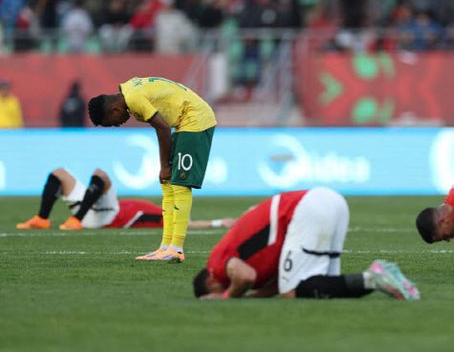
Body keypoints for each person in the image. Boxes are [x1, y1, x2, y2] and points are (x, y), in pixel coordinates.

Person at [192, 187, 420, 300]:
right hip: (330, 200)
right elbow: (278, 285)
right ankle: (379, 279)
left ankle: (375, 277)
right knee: (323, 286)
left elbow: (245, 277)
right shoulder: (251, 262)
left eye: (217, 290)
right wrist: (250, 299)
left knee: (294, 291)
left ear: (210, 283)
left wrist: (225, 298)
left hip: (306, 208)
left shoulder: (215, 265)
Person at [88, 77, 217, 262]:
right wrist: (164, 167)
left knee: (180, 185)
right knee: (167, 183)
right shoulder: (127, 90)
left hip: (195, 119)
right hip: (184, 121)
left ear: (113, 110)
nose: (118, 125)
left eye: (112, 123)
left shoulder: (133, 99)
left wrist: (164, 166)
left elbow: (163, 128)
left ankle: (176, 248)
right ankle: (165, 247)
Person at [16, 168, 235, 231]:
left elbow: (184, 224)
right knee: (59, 173)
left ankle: (76, 220)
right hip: (94, 208)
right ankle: (42, 219)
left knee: (101, 174)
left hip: (105, 216)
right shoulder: (149, 206)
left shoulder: (156, 215)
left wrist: (217, 223)